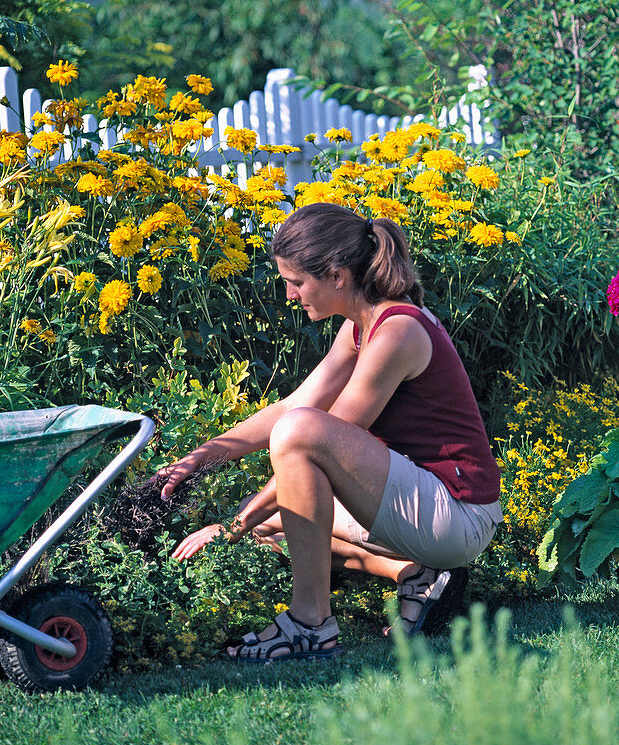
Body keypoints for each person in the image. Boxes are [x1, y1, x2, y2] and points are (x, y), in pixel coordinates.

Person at [153, 202, 503, 662]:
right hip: (423, 505)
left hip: (457, 516)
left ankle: (309, 624)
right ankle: (414, 574)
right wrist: (203, 456)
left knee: (290, 459)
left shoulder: (398, 331)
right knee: (287, 526)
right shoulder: (360, 327)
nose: (290, 295)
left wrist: (233, 526)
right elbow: (292, 405)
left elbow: (316, 432)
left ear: (337, 276)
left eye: (296, 282)